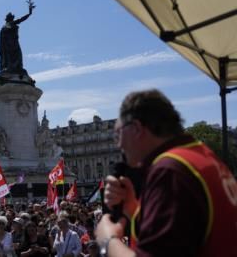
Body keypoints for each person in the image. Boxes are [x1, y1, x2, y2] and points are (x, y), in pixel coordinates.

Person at [95, 89, 237, 257]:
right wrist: (134, 210)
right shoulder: (200, 156)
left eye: (118, 134)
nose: (119, 145)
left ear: (137, 128)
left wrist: (108, 241)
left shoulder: (169, 171)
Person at [0, 0, 34, 74]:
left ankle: (16, 68)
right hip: (7, 44)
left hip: (14, 43)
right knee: (8, 56)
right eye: (9, 17)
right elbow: (2, 37)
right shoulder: (4, 27)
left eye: (11, 17)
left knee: (17, 55)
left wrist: (29, 13)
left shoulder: (13, 23)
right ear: (7, 19)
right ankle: (9, 67)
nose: (11, 18)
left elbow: (21, 19)